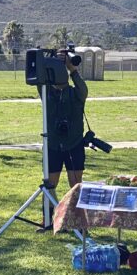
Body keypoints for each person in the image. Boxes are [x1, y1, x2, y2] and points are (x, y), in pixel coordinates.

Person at [41, 52, 88, 194]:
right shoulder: (46, 92)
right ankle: (49, 215)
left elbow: (83, 88)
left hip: (74, 143)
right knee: (50, 185)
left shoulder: (76, 94)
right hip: (53, 145)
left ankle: (75, 216)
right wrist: (49, 62)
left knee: (76, 185)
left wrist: (72, 68)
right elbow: (40, 79)